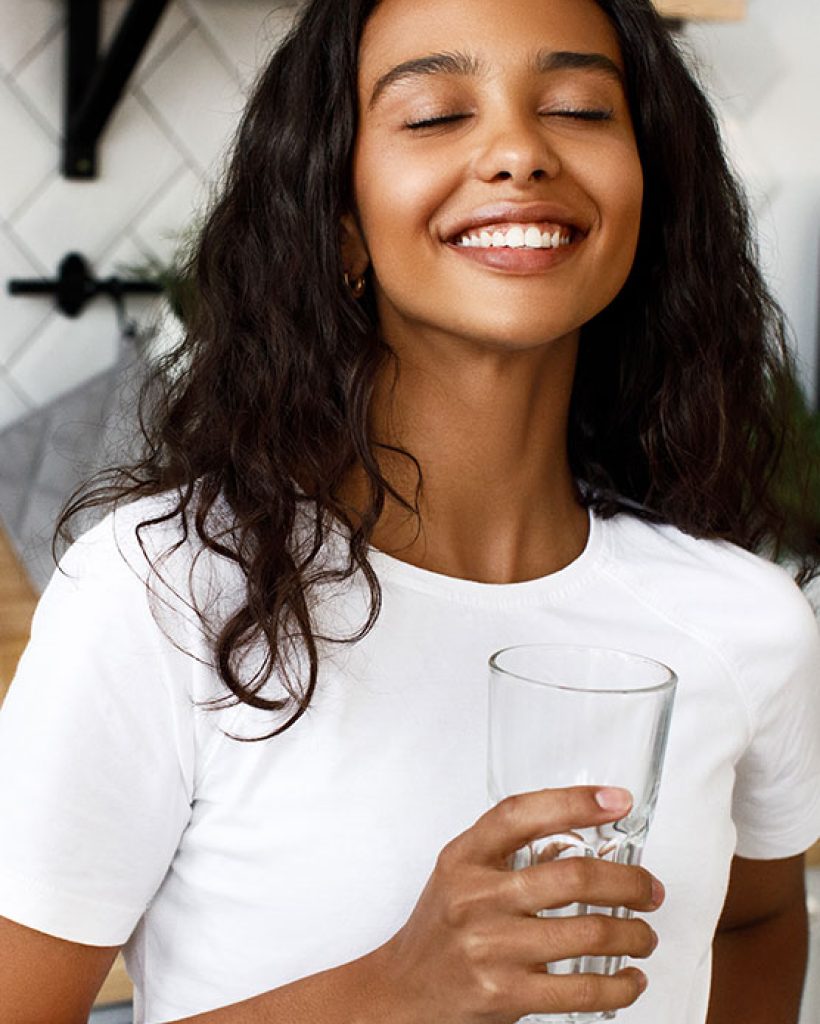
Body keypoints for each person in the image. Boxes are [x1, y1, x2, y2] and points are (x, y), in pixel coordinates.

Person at [0, 0, 818, 1021]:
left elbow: (755, 918)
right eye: (435, 114)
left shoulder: (746, 622)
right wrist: (396, 989)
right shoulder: (164, 593)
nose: (519, 148)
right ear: (339, 219)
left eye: (575, 107)